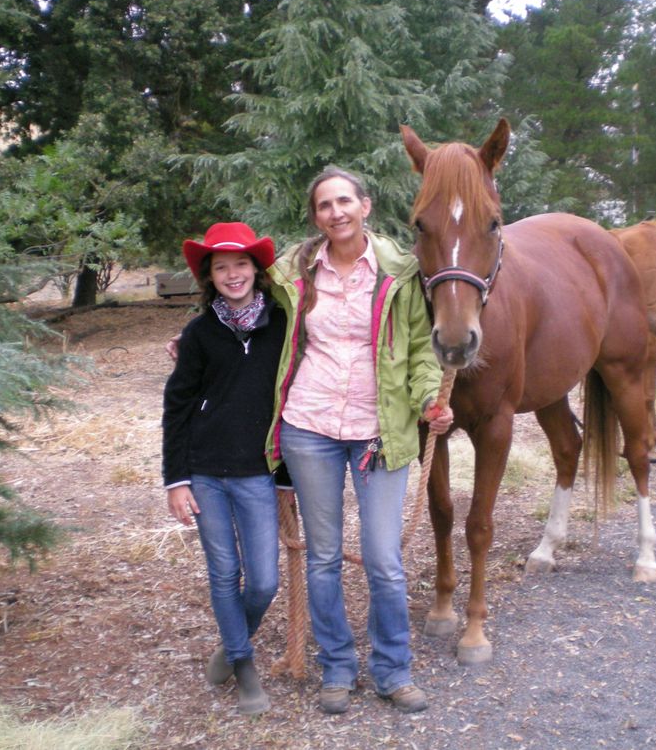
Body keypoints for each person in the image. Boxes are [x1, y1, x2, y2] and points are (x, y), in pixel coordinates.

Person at [265, 166, 454, 715]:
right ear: (316, 216)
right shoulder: (292, 273)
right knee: (323, 557)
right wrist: (194, 339)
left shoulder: (399, 272)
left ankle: (393, 670)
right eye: (324, 206)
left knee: (383, 559)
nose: (336, 213)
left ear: (365, 206)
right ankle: (338, 668)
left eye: (344, 201)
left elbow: (422, 349)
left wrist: (428, 402)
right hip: (309, 427)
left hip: (381, 432)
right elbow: (242, 311)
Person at [162, 222, 286, 716]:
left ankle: (231, 641)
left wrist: (289, 475)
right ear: (208, 276)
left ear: (256, 269)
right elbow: (177, 406)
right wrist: (176, 480)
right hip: (206, 472)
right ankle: (243, 659)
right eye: (220, 267)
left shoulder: (282, 324)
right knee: (224, 571)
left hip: (256, 471)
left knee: (263, 582)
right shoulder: (198, 334)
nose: (232, 274)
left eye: (241, 264)